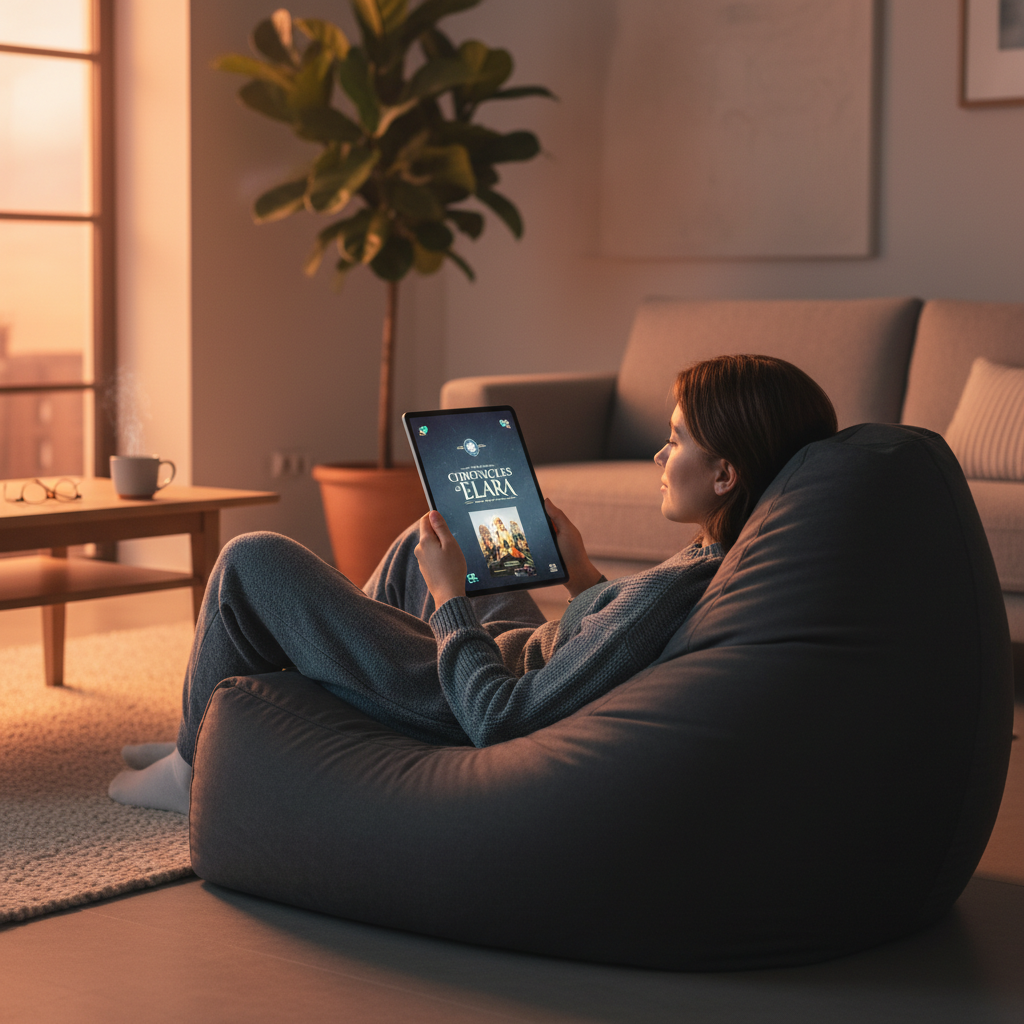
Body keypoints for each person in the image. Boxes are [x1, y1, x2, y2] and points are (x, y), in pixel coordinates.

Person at [108, 354, 838, 814]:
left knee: (251, 557)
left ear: (724, 475)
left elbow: (499, 719)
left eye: (676, 439)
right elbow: (610, 638)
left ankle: (193, 764)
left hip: (458, 695)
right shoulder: (718, 561)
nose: (658, 451)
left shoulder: (678, 589)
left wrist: (451, 598)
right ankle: (242, 703)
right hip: (516, 645)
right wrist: (580, 566)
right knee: (422, 541)